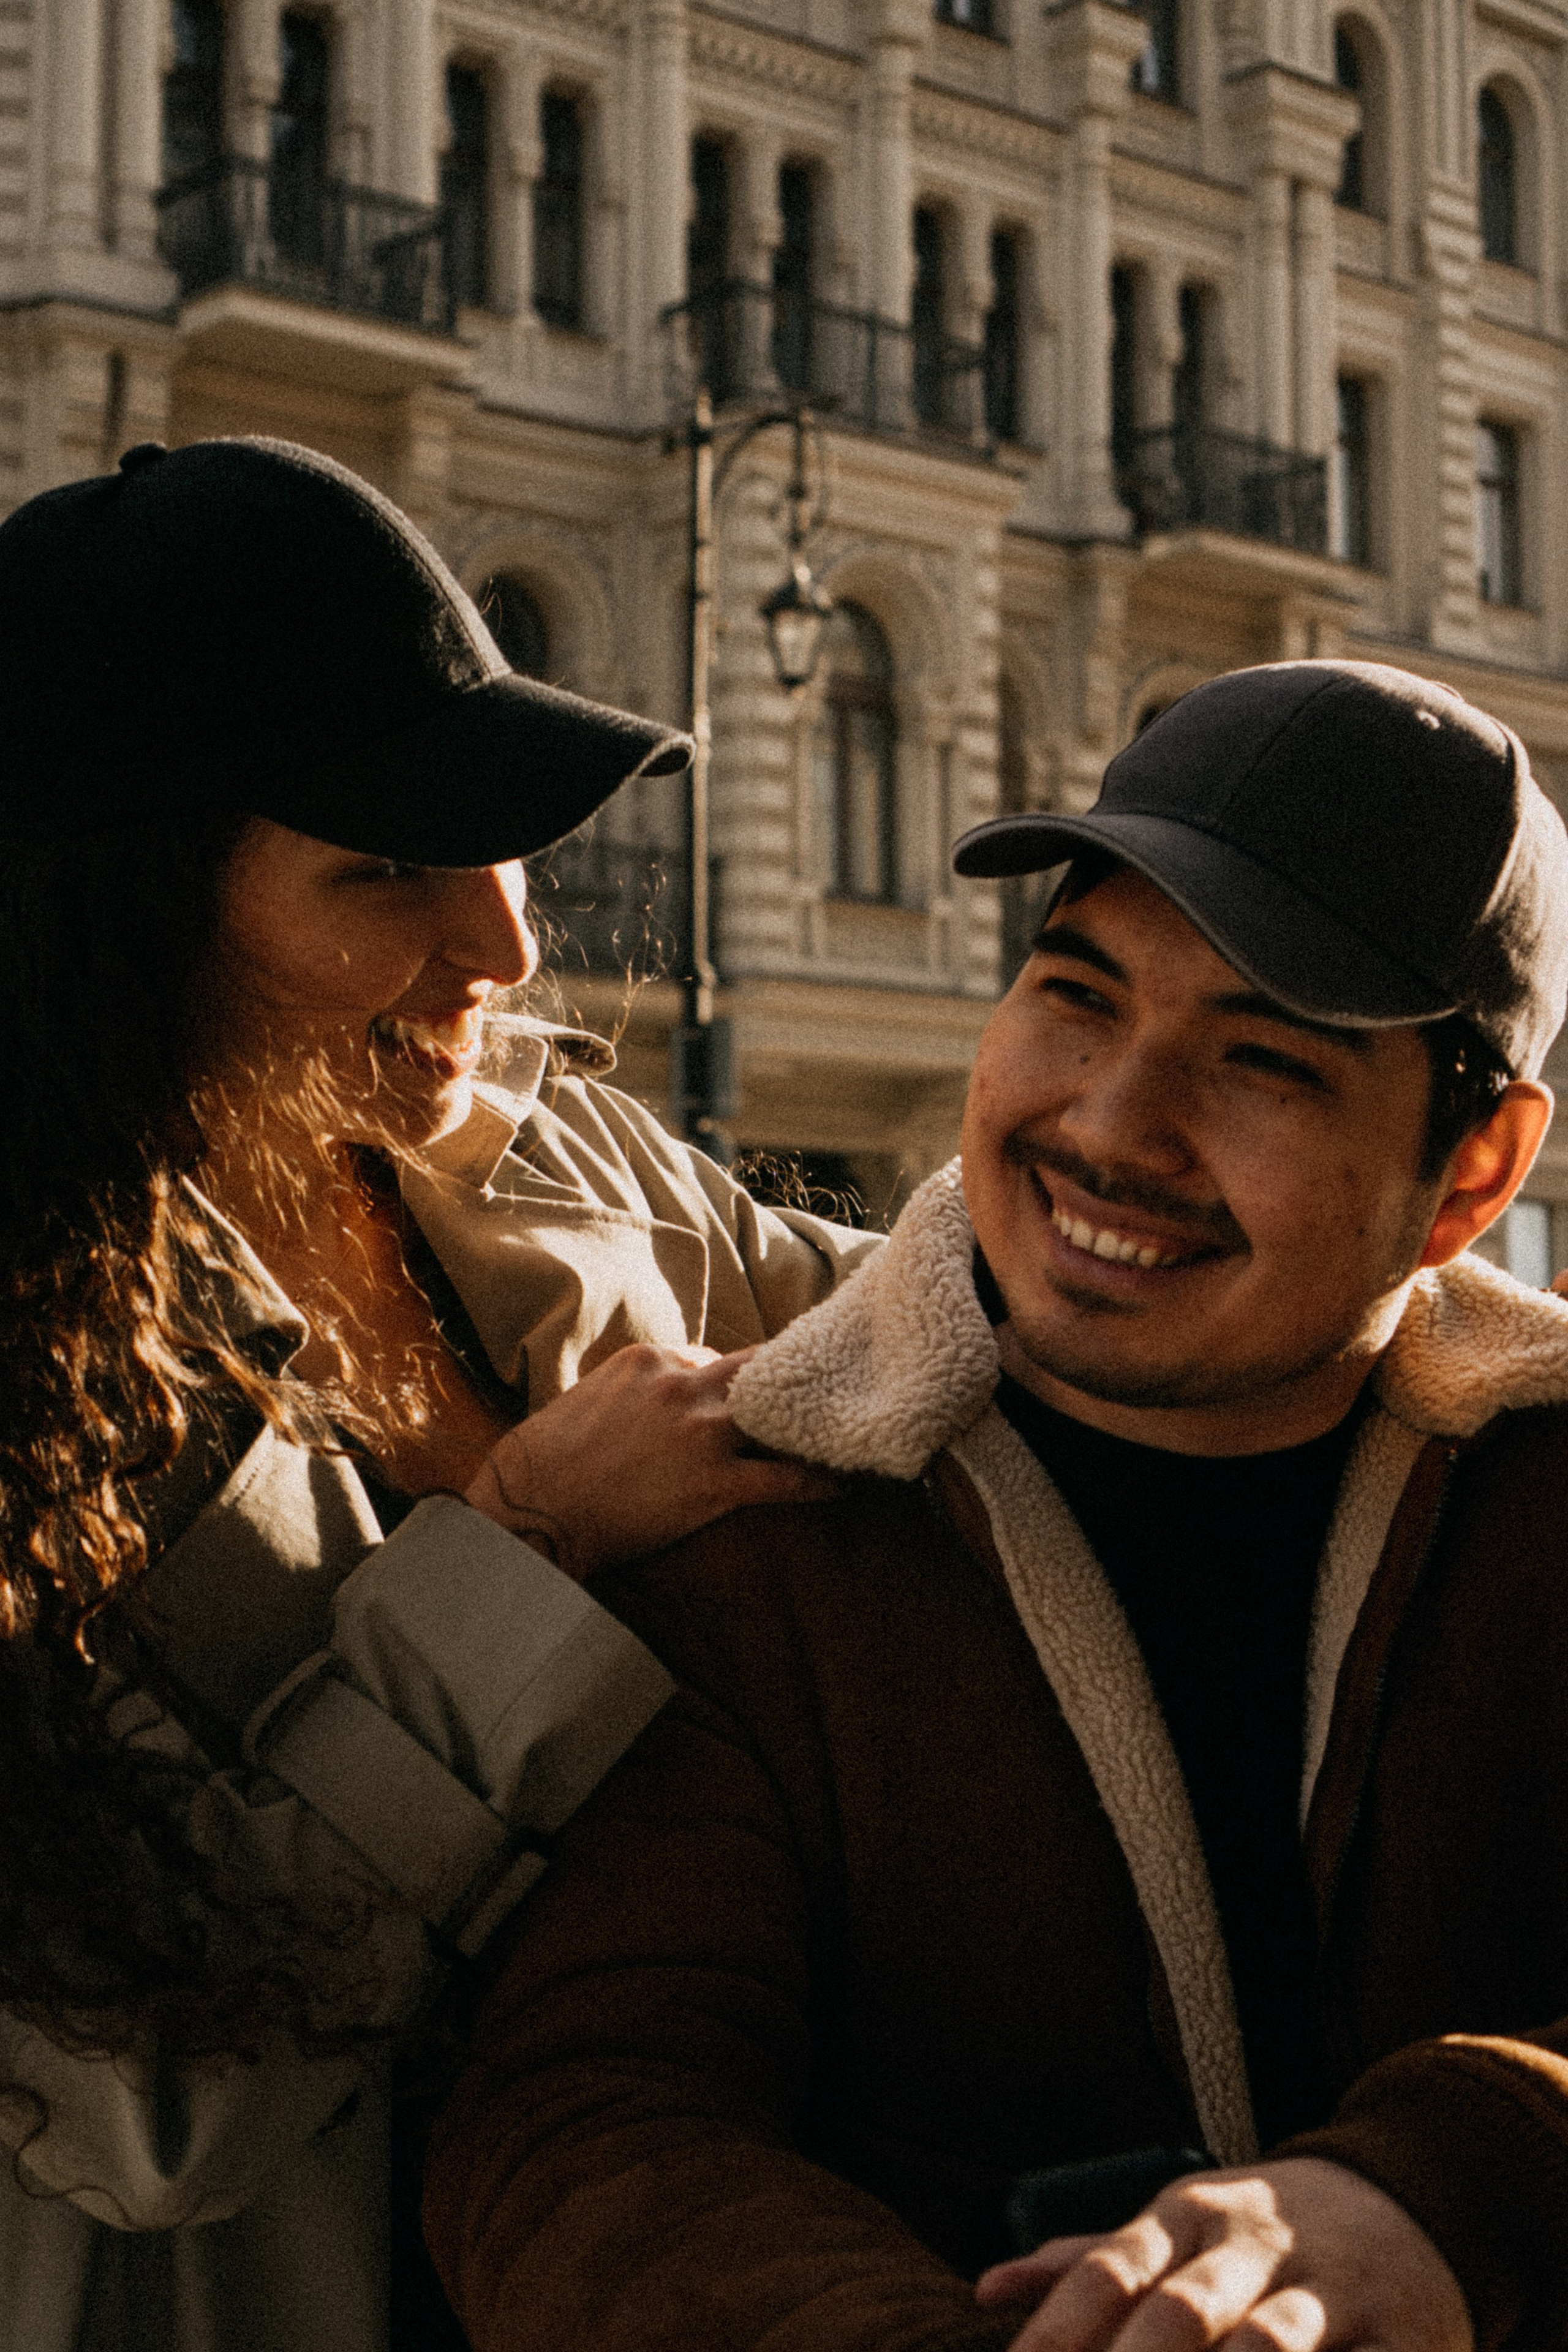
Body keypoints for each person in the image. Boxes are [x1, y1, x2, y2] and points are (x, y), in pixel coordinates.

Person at [426, 660, 1568, 2352]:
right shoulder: (760, 1527)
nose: (1114, 1125)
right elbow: (584, 2133)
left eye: (1263, 1062)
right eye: (1079, 997)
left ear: (1473, 1175)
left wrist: (1457, 2191)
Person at [0, 436, 878, 2352]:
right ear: (113, 917)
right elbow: (144, 2100)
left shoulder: (543, 1156)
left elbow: (955, 1324)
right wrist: (526, 1547)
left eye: (498, 841)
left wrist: (1419, 1296)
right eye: (386, 864)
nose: (506, 943)